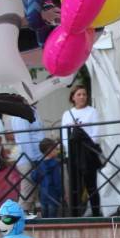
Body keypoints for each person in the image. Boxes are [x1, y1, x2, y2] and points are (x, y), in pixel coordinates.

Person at [61, 86, 102, 217]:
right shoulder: (67, 114)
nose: (82, 97)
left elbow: (96, 133)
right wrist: (69, 150)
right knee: (75, 186)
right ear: (73, 97)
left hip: (88, 154)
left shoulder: (92, 112)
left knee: (91, 185)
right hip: (72, 154)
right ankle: (75, 214)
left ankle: (96, 212)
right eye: (79, 94)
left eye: (84, 94)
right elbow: (63, 135)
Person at [11, 107, 46, 213]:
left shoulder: (33, 110)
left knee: (35, 195)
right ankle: (17, 222)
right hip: (28, 159)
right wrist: (33, 160)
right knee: (27, 194)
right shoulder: (21, 112)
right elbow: (24, 139)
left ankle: (34, 222)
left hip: (37, 157)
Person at [32, 138, 62, 218]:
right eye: (55, 149)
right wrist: (62, 194)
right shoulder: (55, 164)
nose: (57, 150)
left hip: (43, 196)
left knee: (44, 219)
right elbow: (57, 182)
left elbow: (34, 177)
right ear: (50, 150)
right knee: (52, 218)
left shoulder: (40, 164)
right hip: (53, 196)